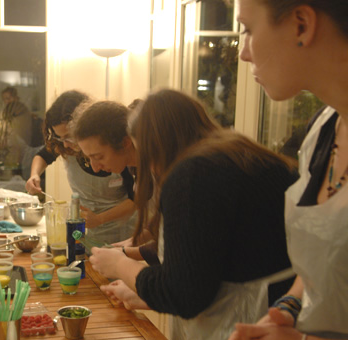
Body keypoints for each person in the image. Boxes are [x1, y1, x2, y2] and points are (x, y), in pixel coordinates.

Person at [90, 89, 297, 340]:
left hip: (244, 324)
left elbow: (184, 295)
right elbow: (209, 265)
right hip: (281, 313)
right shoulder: (242, 155)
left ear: (151, 142)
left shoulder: (192, 175)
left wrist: (119, 265)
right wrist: (143, 293)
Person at [229, 1, 348, 339]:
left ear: (301, 24)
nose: (243, 54)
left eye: (248, 30)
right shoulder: (323, 131)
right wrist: (288, 309)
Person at [25, 90, 136, 245]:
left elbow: (137, 200)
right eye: (60, 138)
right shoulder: (66, 146)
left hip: (122, 230)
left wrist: (100, 219)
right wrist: (34, 175)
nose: (65, 144)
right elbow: (43, 155)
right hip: (87, 229)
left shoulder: (119, 155)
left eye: (69, 137)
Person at [70, 100, 157, 262]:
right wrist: (128, 245)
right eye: (89, 158)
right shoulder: (137, 169)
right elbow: (159, 225)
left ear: (125, 143)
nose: (95, 168)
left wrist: (123, 259)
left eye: (99, 157)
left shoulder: (163, 171)